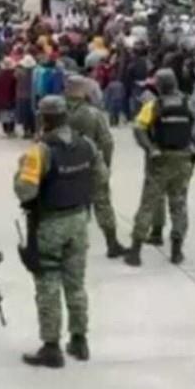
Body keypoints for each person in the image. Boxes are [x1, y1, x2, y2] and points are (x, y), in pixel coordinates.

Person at [15, 96, 107, 368]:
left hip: (50, 224)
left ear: (44, 118)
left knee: (48, 285)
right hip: (78, 220)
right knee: (76, 284)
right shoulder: (86, 144)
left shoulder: (40, 152)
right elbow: (101, 177)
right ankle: (79, 340)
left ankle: (51, 346)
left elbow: (24, 190)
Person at [125, 69, 195, 266]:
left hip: (160, 160)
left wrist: (150, 148)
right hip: (183, 159)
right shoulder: (188, 103)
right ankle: (176, 251)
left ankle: (135, 251)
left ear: (159, 86)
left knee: (148, 204)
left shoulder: (154, 105)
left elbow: (139, 128)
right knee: (179, 204)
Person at [63, 75, 127, 258]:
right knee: (103, 204)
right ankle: (112, 243)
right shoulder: (93, 113)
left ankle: (72, 246)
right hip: (91, 165)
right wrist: (106, 164)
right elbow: (107, 142)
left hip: (66, 166)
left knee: (72, 208)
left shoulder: (55, 111)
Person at [14, 56, 37, 138]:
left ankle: (26, 131)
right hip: (32, 95)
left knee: (24, 114)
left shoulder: (20, 72)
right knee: (32, 114)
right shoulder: (35, 72)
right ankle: (33, 131)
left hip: (21, 96)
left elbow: (15, 76)